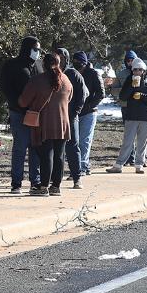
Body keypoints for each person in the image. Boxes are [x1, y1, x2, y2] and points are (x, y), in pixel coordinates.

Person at [19, 52, 73, 193]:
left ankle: (43, 187)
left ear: (44, 64)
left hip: (44, 122)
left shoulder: (37, 80)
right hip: (63, 123)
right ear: (59, 63)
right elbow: (70, 98)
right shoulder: (66, 80)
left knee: (46, 155)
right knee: (59, 155)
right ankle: (56, 186)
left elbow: (23, 101)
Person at [0, 36, 42, 193]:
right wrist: (18, 103)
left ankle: (35, 181)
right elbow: (5, 86)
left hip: (36, 113)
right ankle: (16, 182)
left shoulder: (39, 65)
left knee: (35, 148)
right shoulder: (12, 65)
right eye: (35, 49)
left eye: (39, 50)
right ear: (27, 48)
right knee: (20, 147)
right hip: (18, 113)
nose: (37, 53)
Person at [108, 57, 147, 172]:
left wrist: (142, 96)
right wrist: (131, 86)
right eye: (135, 70)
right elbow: (122, 97)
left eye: (140, 70)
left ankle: (139, 165)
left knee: (142, 142)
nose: (137, 72)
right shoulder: (128, 81)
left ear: (144, 71)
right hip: (131, 115)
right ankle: (119, 164)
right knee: (127, 141)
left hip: (146, 116)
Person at [56, 48, 87, 188]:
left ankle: (77, 177)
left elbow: (82, 96)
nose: (60, 59)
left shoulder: (73, 74)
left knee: (73, 148)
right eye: (57, 56)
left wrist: (74, 113)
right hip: (55, 117)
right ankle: (55, 179)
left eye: (62, 57)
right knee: (57, 149)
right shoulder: (52, 74)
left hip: (71, 117)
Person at [73, 51, 104, 175]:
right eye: (74, 62)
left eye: (78, 62)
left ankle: (83, 167)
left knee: (84, 140)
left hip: (89, 112)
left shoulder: (94, 73)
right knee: (75, 141)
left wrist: (90, 105)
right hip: (76, 111)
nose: (76, 64)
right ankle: (78, 166)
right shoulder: (72, 73)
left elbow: (101, 94)